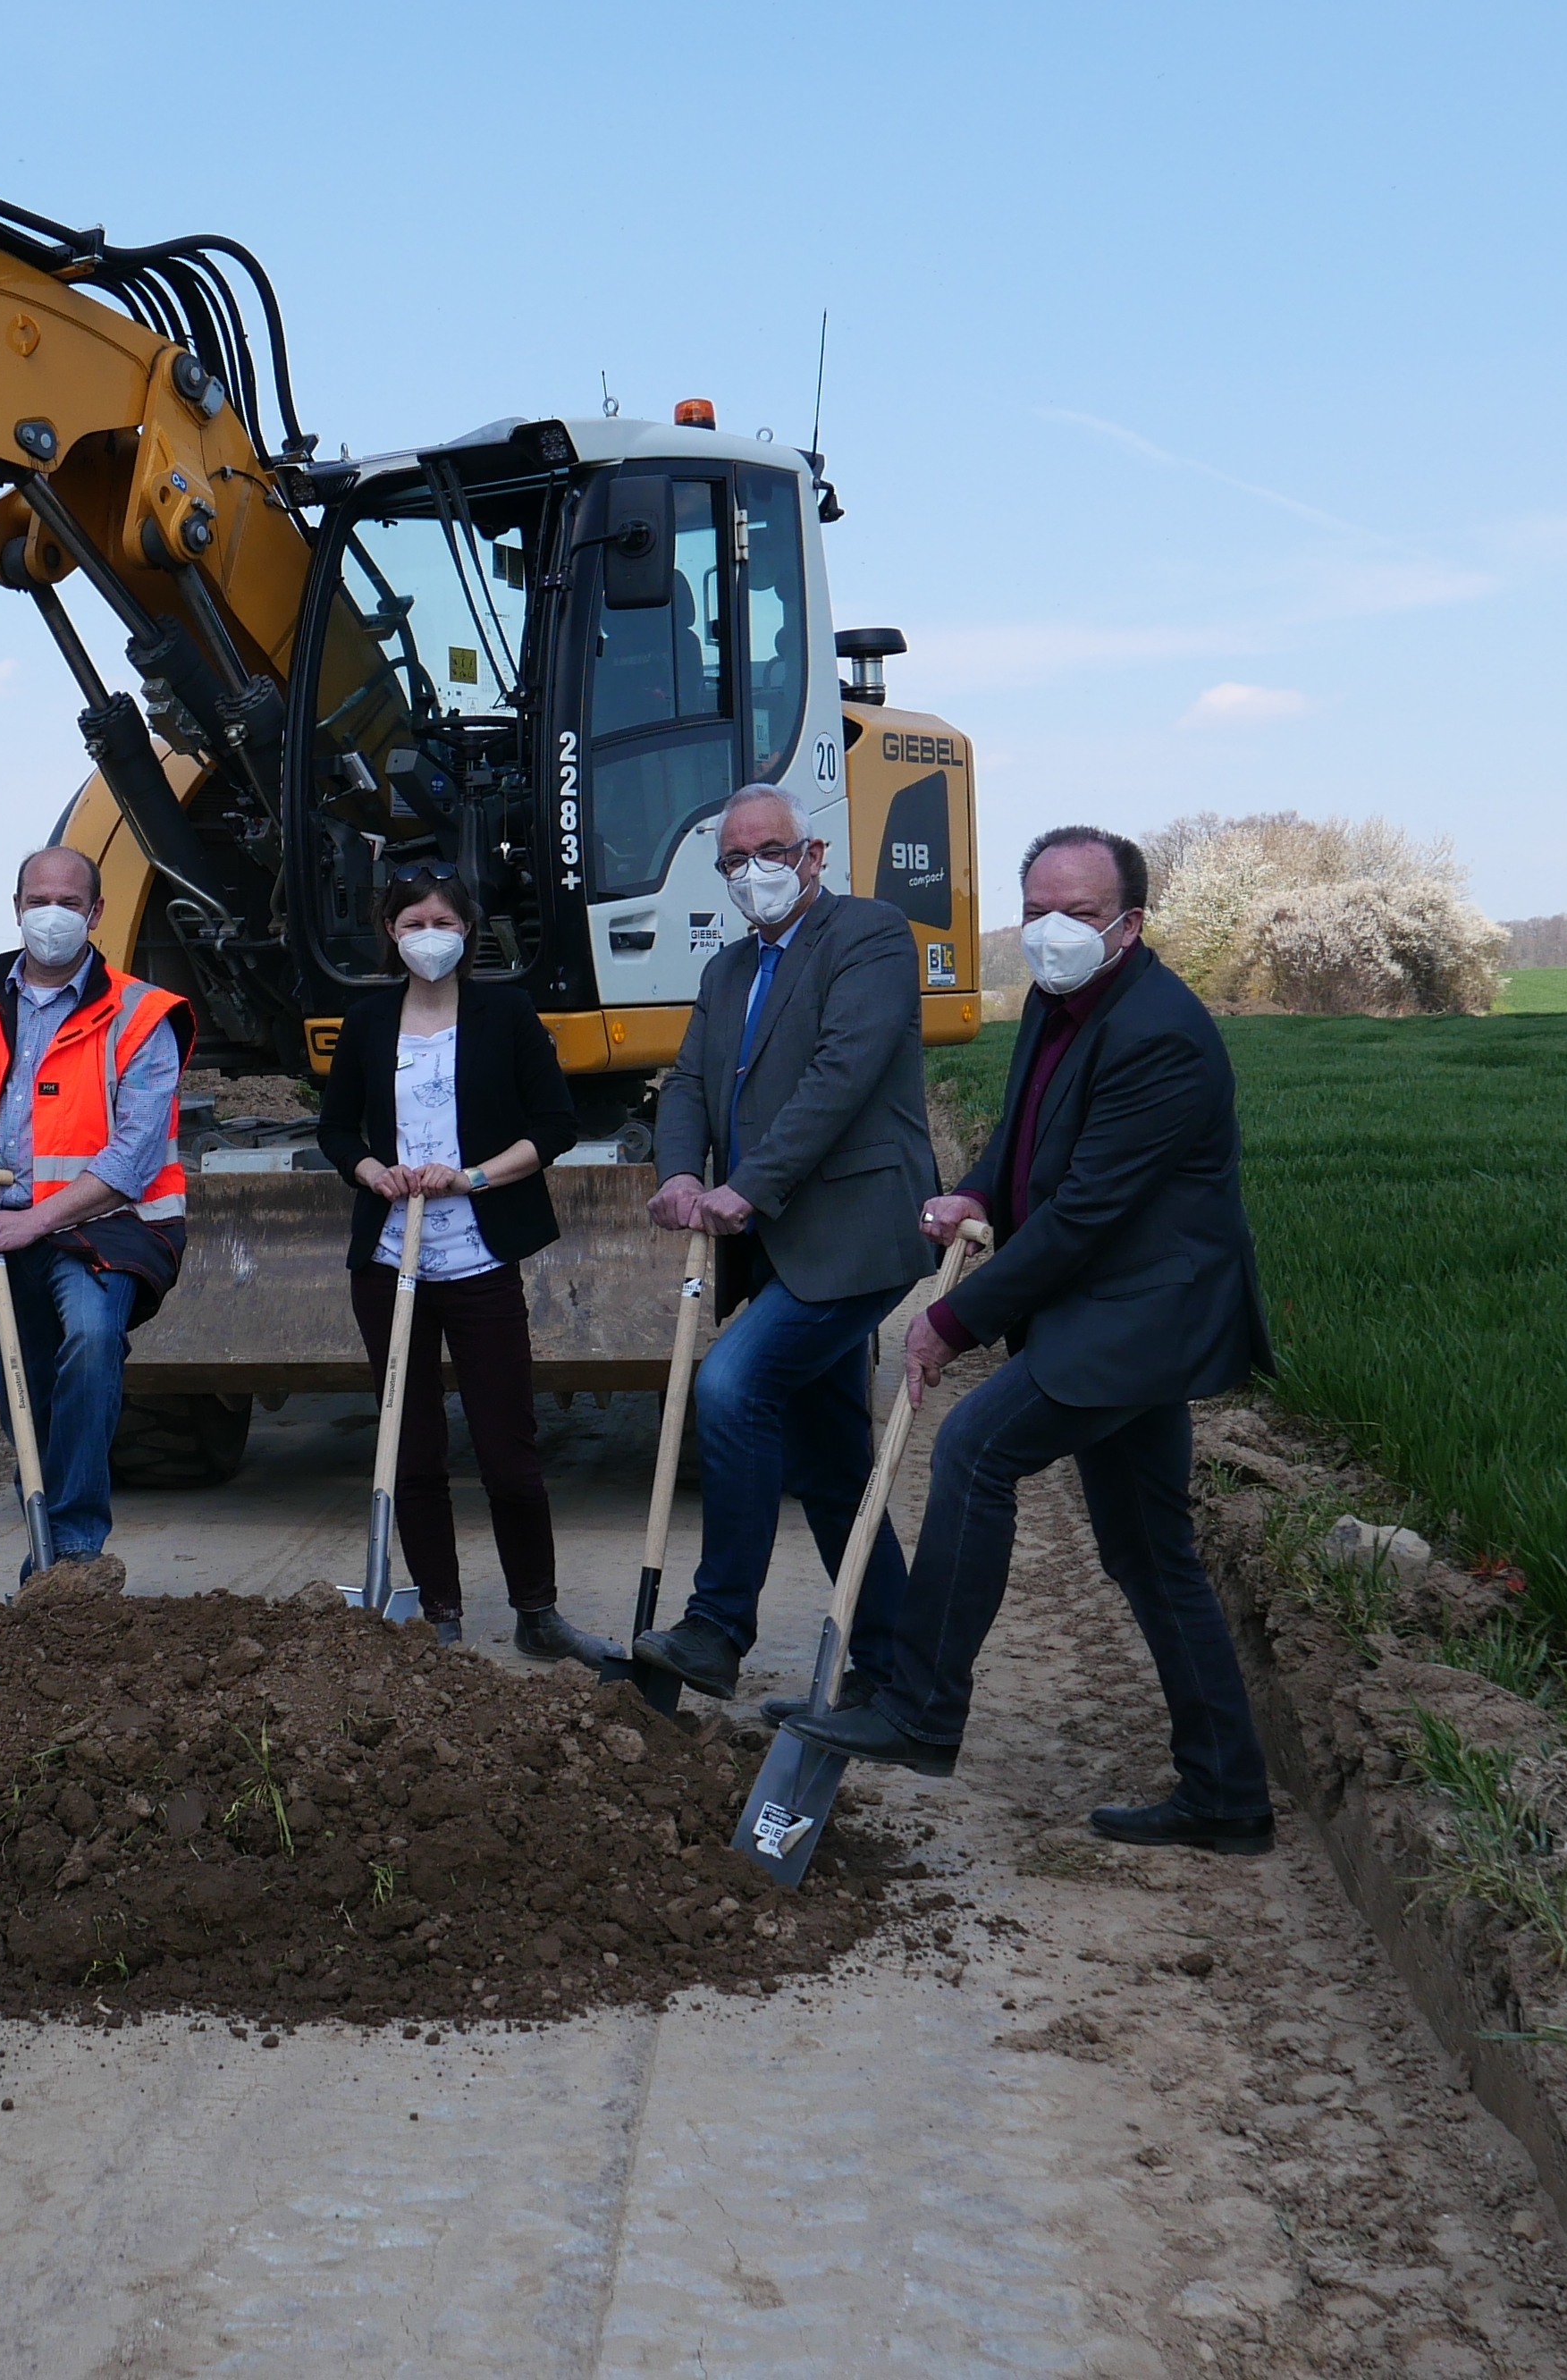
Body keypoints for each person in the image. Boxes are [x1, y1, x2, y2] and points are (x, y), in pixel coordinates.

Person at [779, 825, 1282, 1854]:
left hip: (1145, 1316)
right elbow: (1025, 1136)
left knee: (972, 1453)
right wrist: (974, 1188)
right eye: (1038, 909)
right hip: (1114, 1310)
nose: (1054, 930)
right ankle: (1227, 1795)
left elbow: (1086, 1213)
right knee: (1150, 1555)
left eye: (1082, 914)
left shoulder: (1158, 1033)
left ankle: (919, 1707)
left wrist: (951, 1321)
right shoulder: (1060, 1003)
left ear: (1129, 924)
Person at [624, 785, 941, 1701]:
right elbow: (685, 1084)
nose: (753, 872)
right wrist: (679, 1176)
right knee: (833, 1460)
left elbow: (842, 1075)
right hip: (784, 1246)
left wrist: (746, 1188)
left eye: (770, 851)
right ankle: (893, 1666)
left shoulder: (869, 937)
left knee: (732, 1385)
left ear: (813, 856)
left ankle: (718, 1627)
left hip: (855, 1232)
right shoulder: (728, 972)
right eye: (734, 860)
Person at [310, 866, 590, 1651]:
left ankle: (537, 1612)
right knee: (411, 1443)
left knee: (508, 1449)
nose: (427, 935)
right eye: (411, 922)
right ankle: (441, 1615)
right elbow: (335, 1130)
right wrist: (374, 1172)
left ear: (468, 931)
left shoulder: (505, 1012)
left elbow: (555, 1125)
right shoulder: (367, 1021)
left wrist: (469, 1177)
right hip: (390, 1262)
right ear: (390, 934)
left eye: (443, 921)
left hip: (477, 1258)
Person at [0, 844, 189, 1574]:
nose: (50, 917)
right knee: (25, 1397)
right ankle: (53, 1548)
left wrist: (36, 1221)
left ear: (94, 913)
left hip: (104, 1228)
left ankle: (74, 1552)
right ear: (16, 907)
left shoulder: (141, 1014)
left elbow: (133, 1157)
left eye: (67, 904)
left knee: (91, 1345)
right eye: (37, 902)